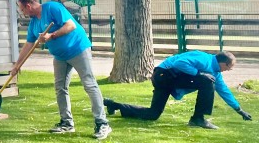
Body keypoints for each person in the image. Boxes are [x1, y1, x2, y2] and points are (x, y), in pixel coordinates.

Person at [13, 0, 112, 139]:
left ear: (28, 6)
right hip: (60, 57)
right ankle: (67, 123)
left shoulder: (52, 7)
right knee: (60, 88)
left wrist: (51, 36)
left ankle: (102, 123)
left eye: (22, 10)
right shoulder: (34, 24)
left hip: (78, 49)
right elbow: (28, 44)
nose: (23, 13)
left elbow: (70, 25)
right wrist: (17, 65)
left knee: (89, 84)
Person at [104, 50, 252, 129]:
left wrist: (239, 110)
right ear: (223, 63)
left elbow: (224, 91)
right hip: (163, 75)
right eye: (229, 68)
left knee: (153, 114)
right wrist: (199, 73)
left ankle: (115, 105)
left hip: (170, 80)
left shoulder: (215, 73)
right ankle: (198, 119)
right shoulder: (204, 59)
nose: (228, 71)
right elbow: (180, 63)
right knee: (206, 82)